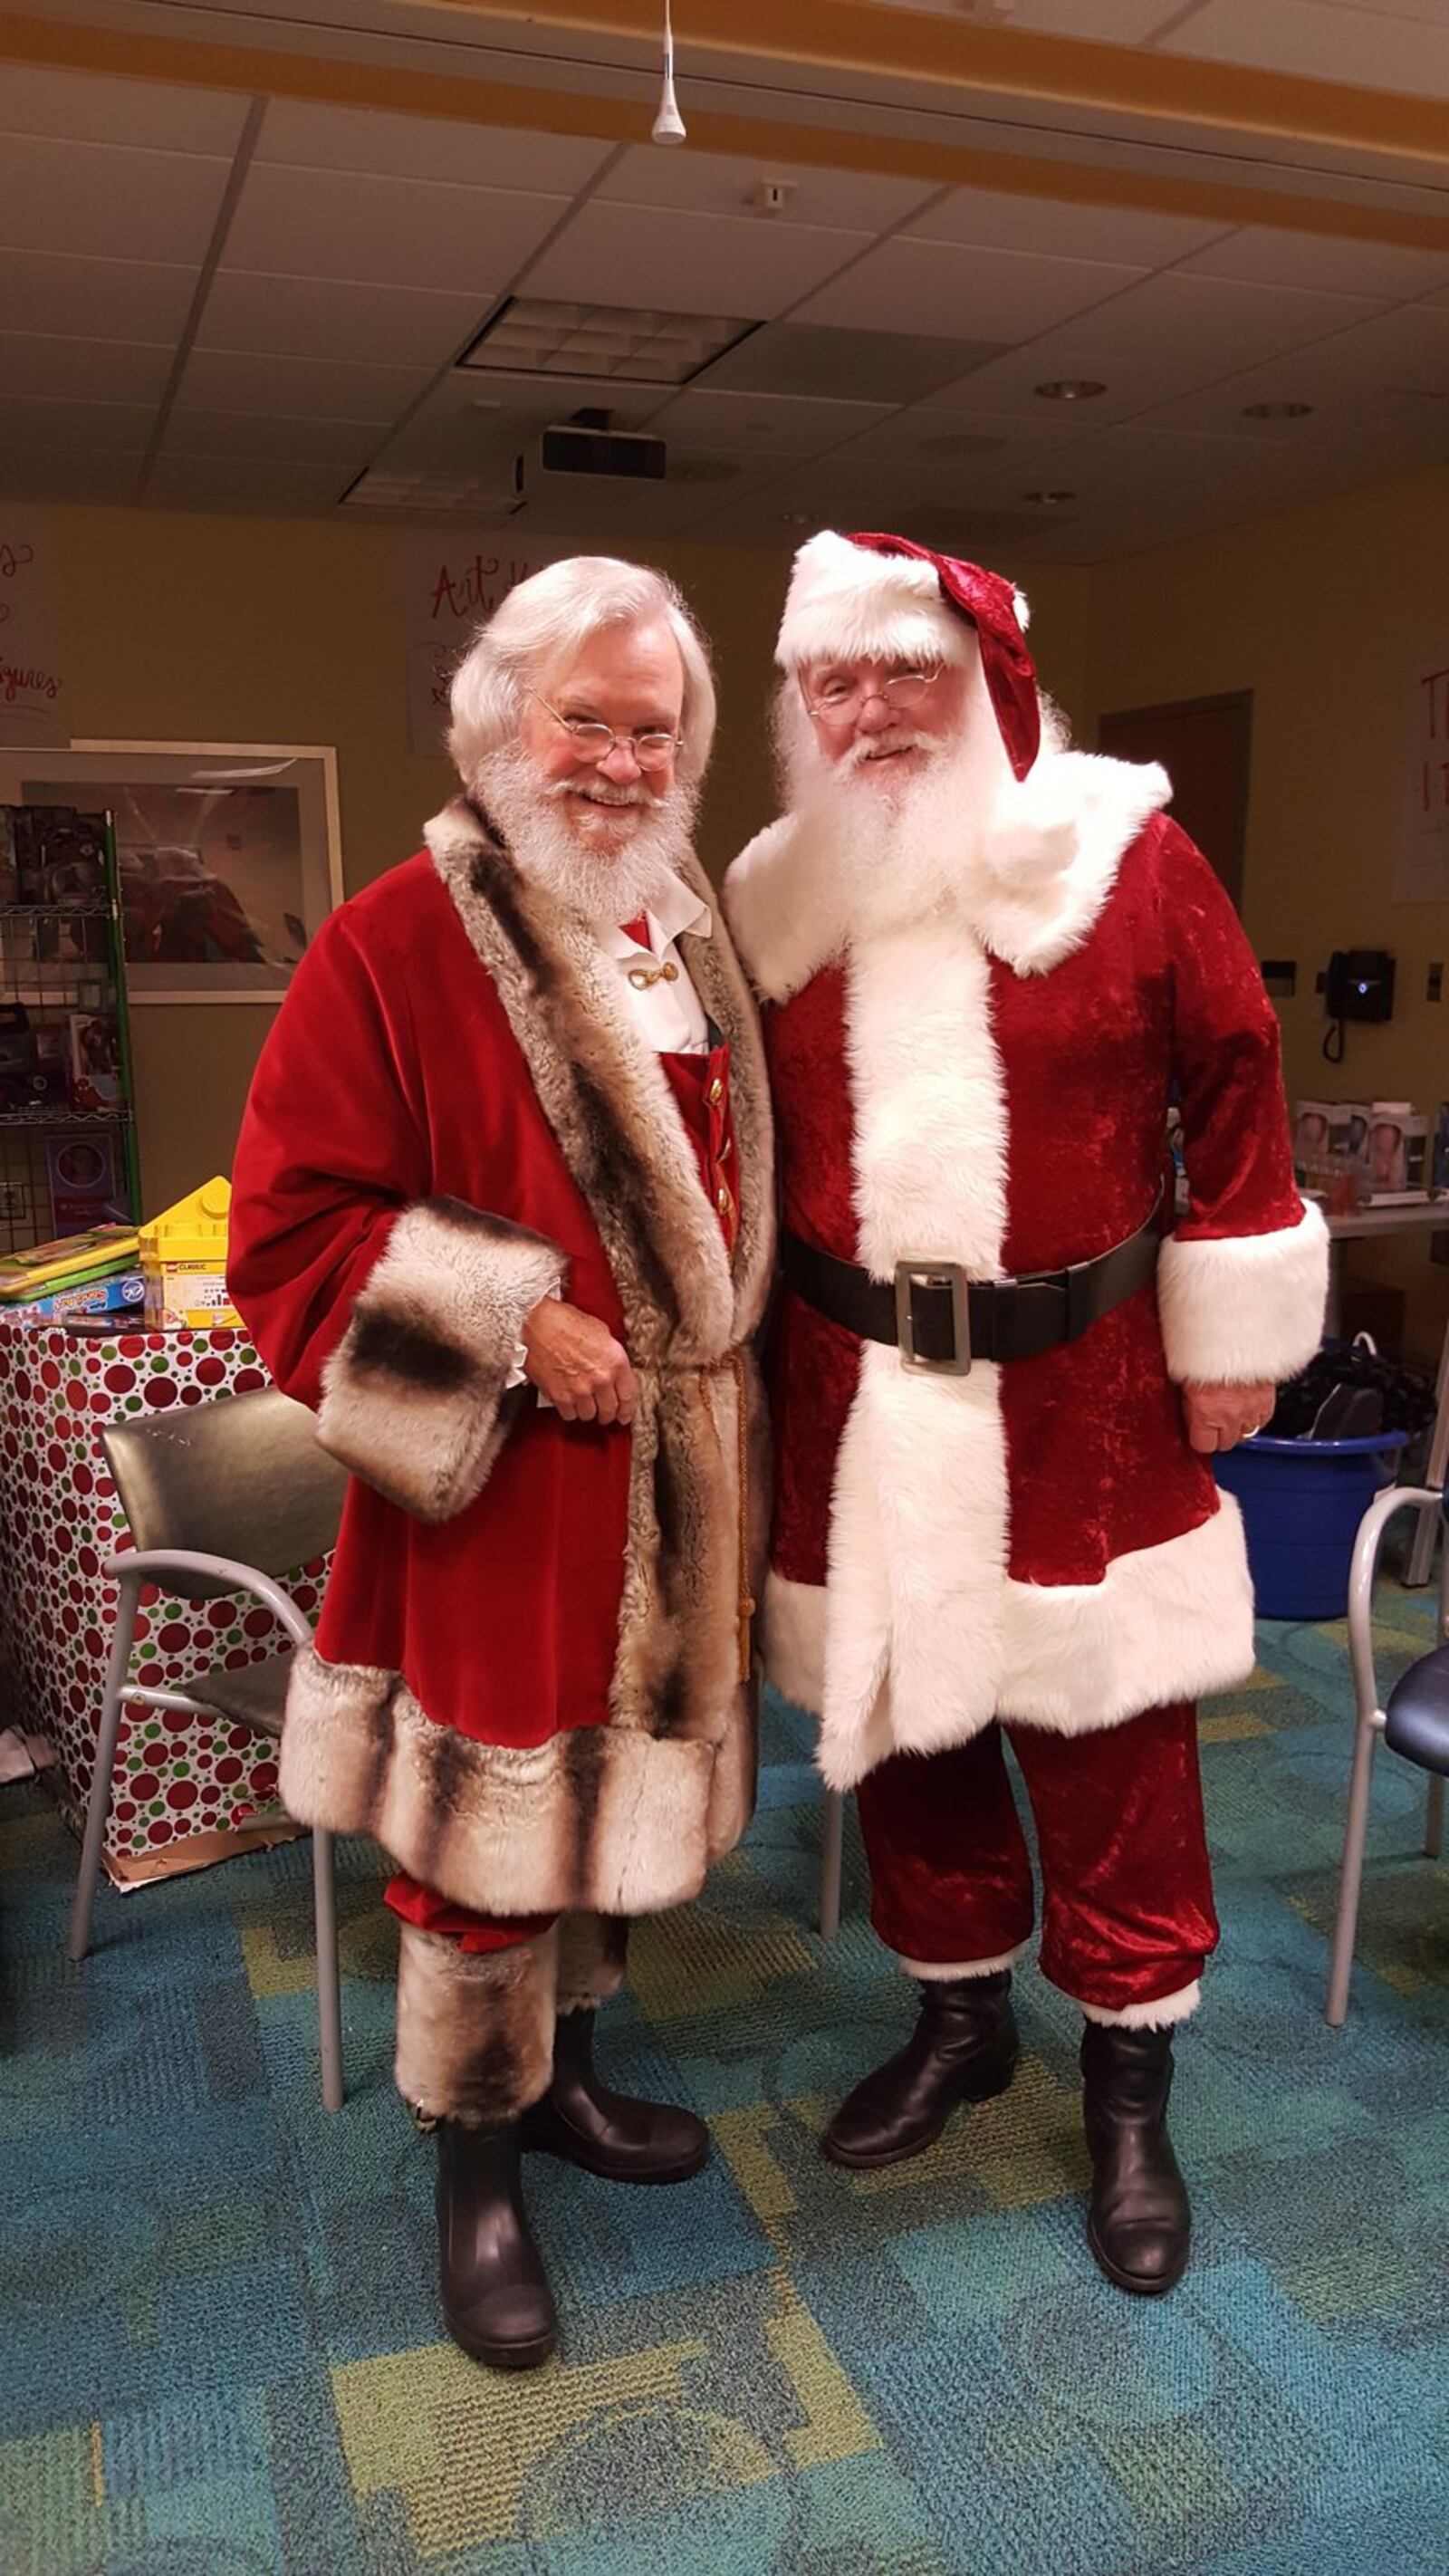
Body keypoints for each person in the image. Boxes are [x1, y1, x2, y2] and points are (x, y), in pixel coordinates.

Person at [724, 531, 1328, 2296]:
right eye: (830, 680)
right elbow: (740, 1154)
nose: (866, 709)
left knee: (1107, 1737)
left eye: (899, 671)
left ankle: (1126, 2083)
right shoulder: (773, 893)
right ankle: (956, 2016)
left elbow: (1235, 1084)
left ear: (983, 678)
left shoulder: (1123, 857)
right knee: (912, 1728)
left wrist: (1233, 1332)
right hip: (849, 1389)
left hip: (1084, 1385)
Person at [228, 557, 773, 2369]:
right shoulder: (392, 933)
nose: (621, 761)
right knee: (485, 1838)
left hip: (671, 1487)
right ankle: (474, 2160)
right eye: (586, 720)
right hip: (499, 1492)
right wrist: (506, 1315)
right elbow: (291, 1232)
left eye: (653, 727)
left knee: (608, 1798)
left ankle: (566, 2086)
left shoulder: (688, 931)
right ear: (498, 725)